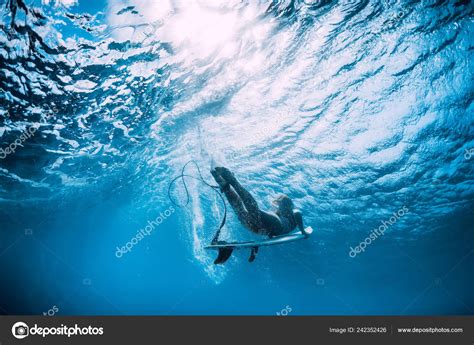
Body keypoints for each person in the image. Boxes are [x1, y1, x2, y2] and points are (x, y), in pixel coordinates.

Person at [210, 167, 309, 264]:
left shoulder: (289, 212)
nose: (281, 208)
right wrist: (303, 231)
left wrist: (270, 235)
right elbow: (298, 215)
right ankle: (232, 181)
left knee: (242, 211)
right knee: (250, 210)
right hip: (270, 227)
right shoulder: (290, 213)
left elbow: (296, 215)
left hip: (261, 229)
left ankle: (225, 187)